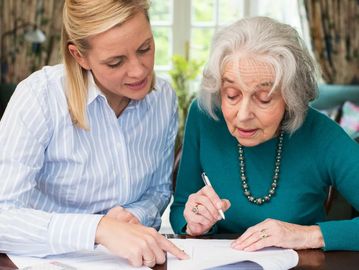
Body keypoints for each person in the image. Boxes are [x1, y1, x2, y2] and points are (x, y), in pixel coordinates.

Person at [0, 0, 189, 267]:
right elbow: (3, 217)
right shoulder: (39, 98)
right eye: (115, 62)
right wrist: (98, 228)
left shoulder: (162, 98)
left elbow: (158, 190)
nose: (139, 70)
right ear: (80, 56)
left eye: (145, 48)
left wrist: (131, 218)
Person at [170, 16, 359, 251]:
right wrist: (194, 223)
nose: (243, 115)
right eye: (231, 95)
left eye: (264, 98)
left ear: (292, 98)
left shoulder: (321, 134)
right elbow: (180, 210)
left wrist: (309, 235)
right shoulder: (205, 115)